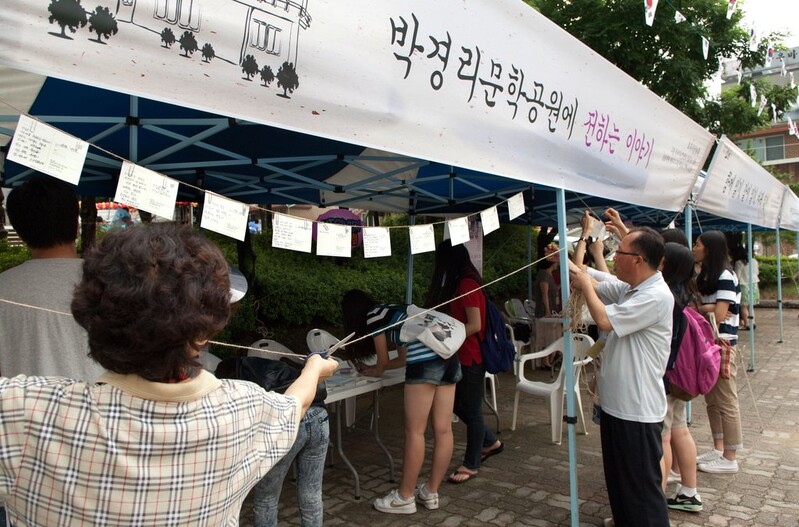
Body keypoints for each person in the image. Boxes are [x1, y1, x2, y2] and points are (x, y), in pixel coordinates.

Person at [0, 223, 338, 526]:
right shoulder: (243, 408)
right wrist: (313, 368)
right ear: (203, 333)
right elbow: (296, 403)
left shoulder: (27, 411)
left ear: (90, 317)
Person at [570, 227, 672, 527]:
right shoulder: (631, 288)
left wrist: (585, 284)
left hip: (636, 411)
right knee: (621, 488)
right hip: (616, 406)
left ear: (638, 260)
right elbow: (589, 276)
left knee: (642, 496)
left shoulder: (655, 296)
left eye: (619, 252)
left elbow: (603, 319)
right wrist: (571, 255)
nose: (613, 257)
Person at [341, 289, 461, 514]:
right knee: (444, 430)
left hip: (424, 362)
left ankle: (404, 497)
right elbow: (400, 359)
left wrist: (373, 370)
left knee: (415, 432)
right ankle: (431, 492)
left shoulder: (373, 316)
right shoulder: (394, 310)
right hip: (448, 357)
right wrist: (375, 368)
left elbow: (383, 361)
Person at [0, 175, 104, 382]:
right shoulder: (111, 282)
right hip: (108, 402)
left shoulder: (3, 287)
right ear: (77, 225)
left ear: (20, 233)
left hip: (22, 403)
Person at [216, 356, 329, 527]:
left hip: (289, 421)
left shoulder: (237, 385)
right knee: (312, 491)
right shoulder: (259, 365)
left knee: (266, 496)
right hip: (319, 414)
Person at [424, 240, 503, 485]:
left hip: (471, 356)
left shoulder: (467, 284)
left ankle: (472, 463)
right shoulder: (463, 281)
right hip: (462, 355)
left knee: (472, 410)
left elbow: (475, 325)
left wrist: (446, 337)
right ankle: (490, 442)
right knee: (458, 405)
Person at [694, 230, 742, 474]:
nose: (694, 248)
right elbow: (718, 309)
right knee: (712, 400)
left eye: (698, 244)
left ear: (710, 249)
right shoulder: (708, 274)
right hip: (710, 342)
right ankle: (718, 448)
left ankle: (730, 457)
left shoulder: (725, 275)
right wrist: (710, 307)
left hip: (723, 343)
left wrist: (704, 307)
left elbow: (721, 314)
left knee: (726, 400)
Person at [659, 243, 703, 513]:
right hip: (681, 379)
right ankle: (689, 491)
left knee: (663, 439)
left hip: (666, 379)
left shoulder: (665, 297)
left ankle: (656, 500)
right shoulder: (687, 294)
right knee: (680, 430)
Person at [732, 246, 759, 331]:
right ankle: (752, 322)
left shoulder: (739, 263)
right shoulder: (754, 261)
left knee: (743, 306)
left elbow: (737, 275)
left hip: (743, 285)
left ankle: (747, 323)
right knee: (751, 306)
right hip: (754, 284)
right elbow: (757, 272)